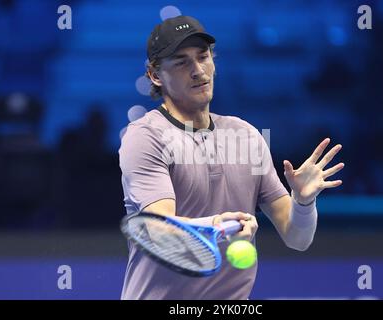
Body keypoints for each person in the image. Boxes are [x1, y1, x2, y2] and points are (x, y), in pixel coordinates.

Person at [119, 15, 344, 300]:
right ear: (155, 75)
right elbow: (159, 229)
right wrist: (218, 225)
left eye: (203, 57)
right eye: (181, 62)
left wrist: (303, 202)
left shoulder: (247, 135)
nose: (198, 70)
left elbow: (298, 238)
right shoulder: (145, 136)